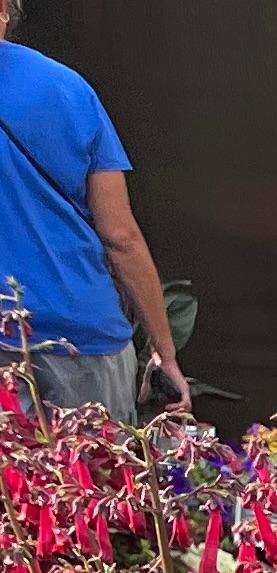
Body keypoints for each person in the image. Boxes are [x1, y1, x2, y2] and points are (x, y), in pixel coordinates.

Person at [0, 0, 185, 418]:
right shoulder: (69, 89)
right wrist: (164, 351)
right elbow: (120, 235)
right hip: (84, 336)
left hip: (5, 341)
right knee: (96, 477)